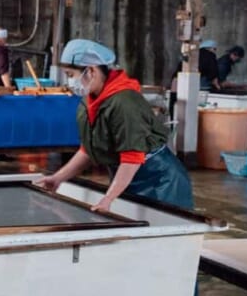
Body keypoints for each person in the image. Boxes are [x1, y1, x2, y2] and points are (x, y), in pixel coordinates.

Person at [35, 39, 194, 213]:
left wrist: (108, 198)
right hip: (127, 177)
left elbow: (132, 157)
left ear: (91, 71)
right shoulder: (89, 103)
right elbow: (89, 149)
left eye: (71, 75)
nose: (69, 81)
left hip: (161, 181)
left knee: (165, 229)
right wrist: (58, 178)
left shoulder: (124, 103)